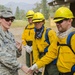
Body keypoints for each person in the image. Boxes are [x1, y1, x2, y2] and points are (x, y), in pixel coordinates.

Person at [28, 7, 75, 75]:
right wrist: (36, 65)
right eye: (56, 22)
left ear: (70, 21)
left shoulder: (73, 37)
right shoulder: (58, 38)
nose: (57, 24)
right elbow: (50, 54)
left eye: (60, 21)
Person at [0, 9, 29, 75]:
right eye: (7, 19)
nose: (10, 22)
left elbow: (15, 55)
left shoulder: (10, 35)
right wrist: (21, 66)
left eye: (11, 20)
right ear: (0, 19)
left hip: (13, 72)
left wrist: (19, 49)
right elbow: (3, 57)